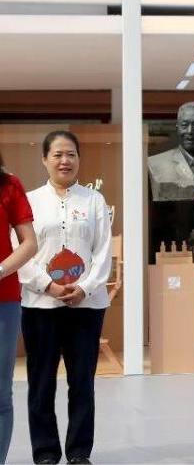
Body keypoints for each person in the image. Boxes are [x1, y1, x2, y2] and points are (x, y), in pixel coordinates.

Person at [20, 131, 112, 465]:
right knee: (41, 382)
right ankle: (45, 453)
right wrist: (47, 285)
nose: (65, 161)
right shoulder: (30, 201)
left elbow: (103, 251)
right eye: (58, 154)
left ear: (78, 159)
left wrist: (85, 287)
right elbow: (21, 251)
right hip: (40, 306)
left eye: (71, 154)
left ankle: (78, 452)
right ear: (45, 159)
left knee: (82, 382)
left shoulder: (94, 201)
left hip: (86, 305)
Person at [0, 150, 39, 462]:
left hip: (3, 301)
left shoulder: (9, 185)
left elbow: (29, 242)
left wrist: (0, 270)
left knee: (0, 393)